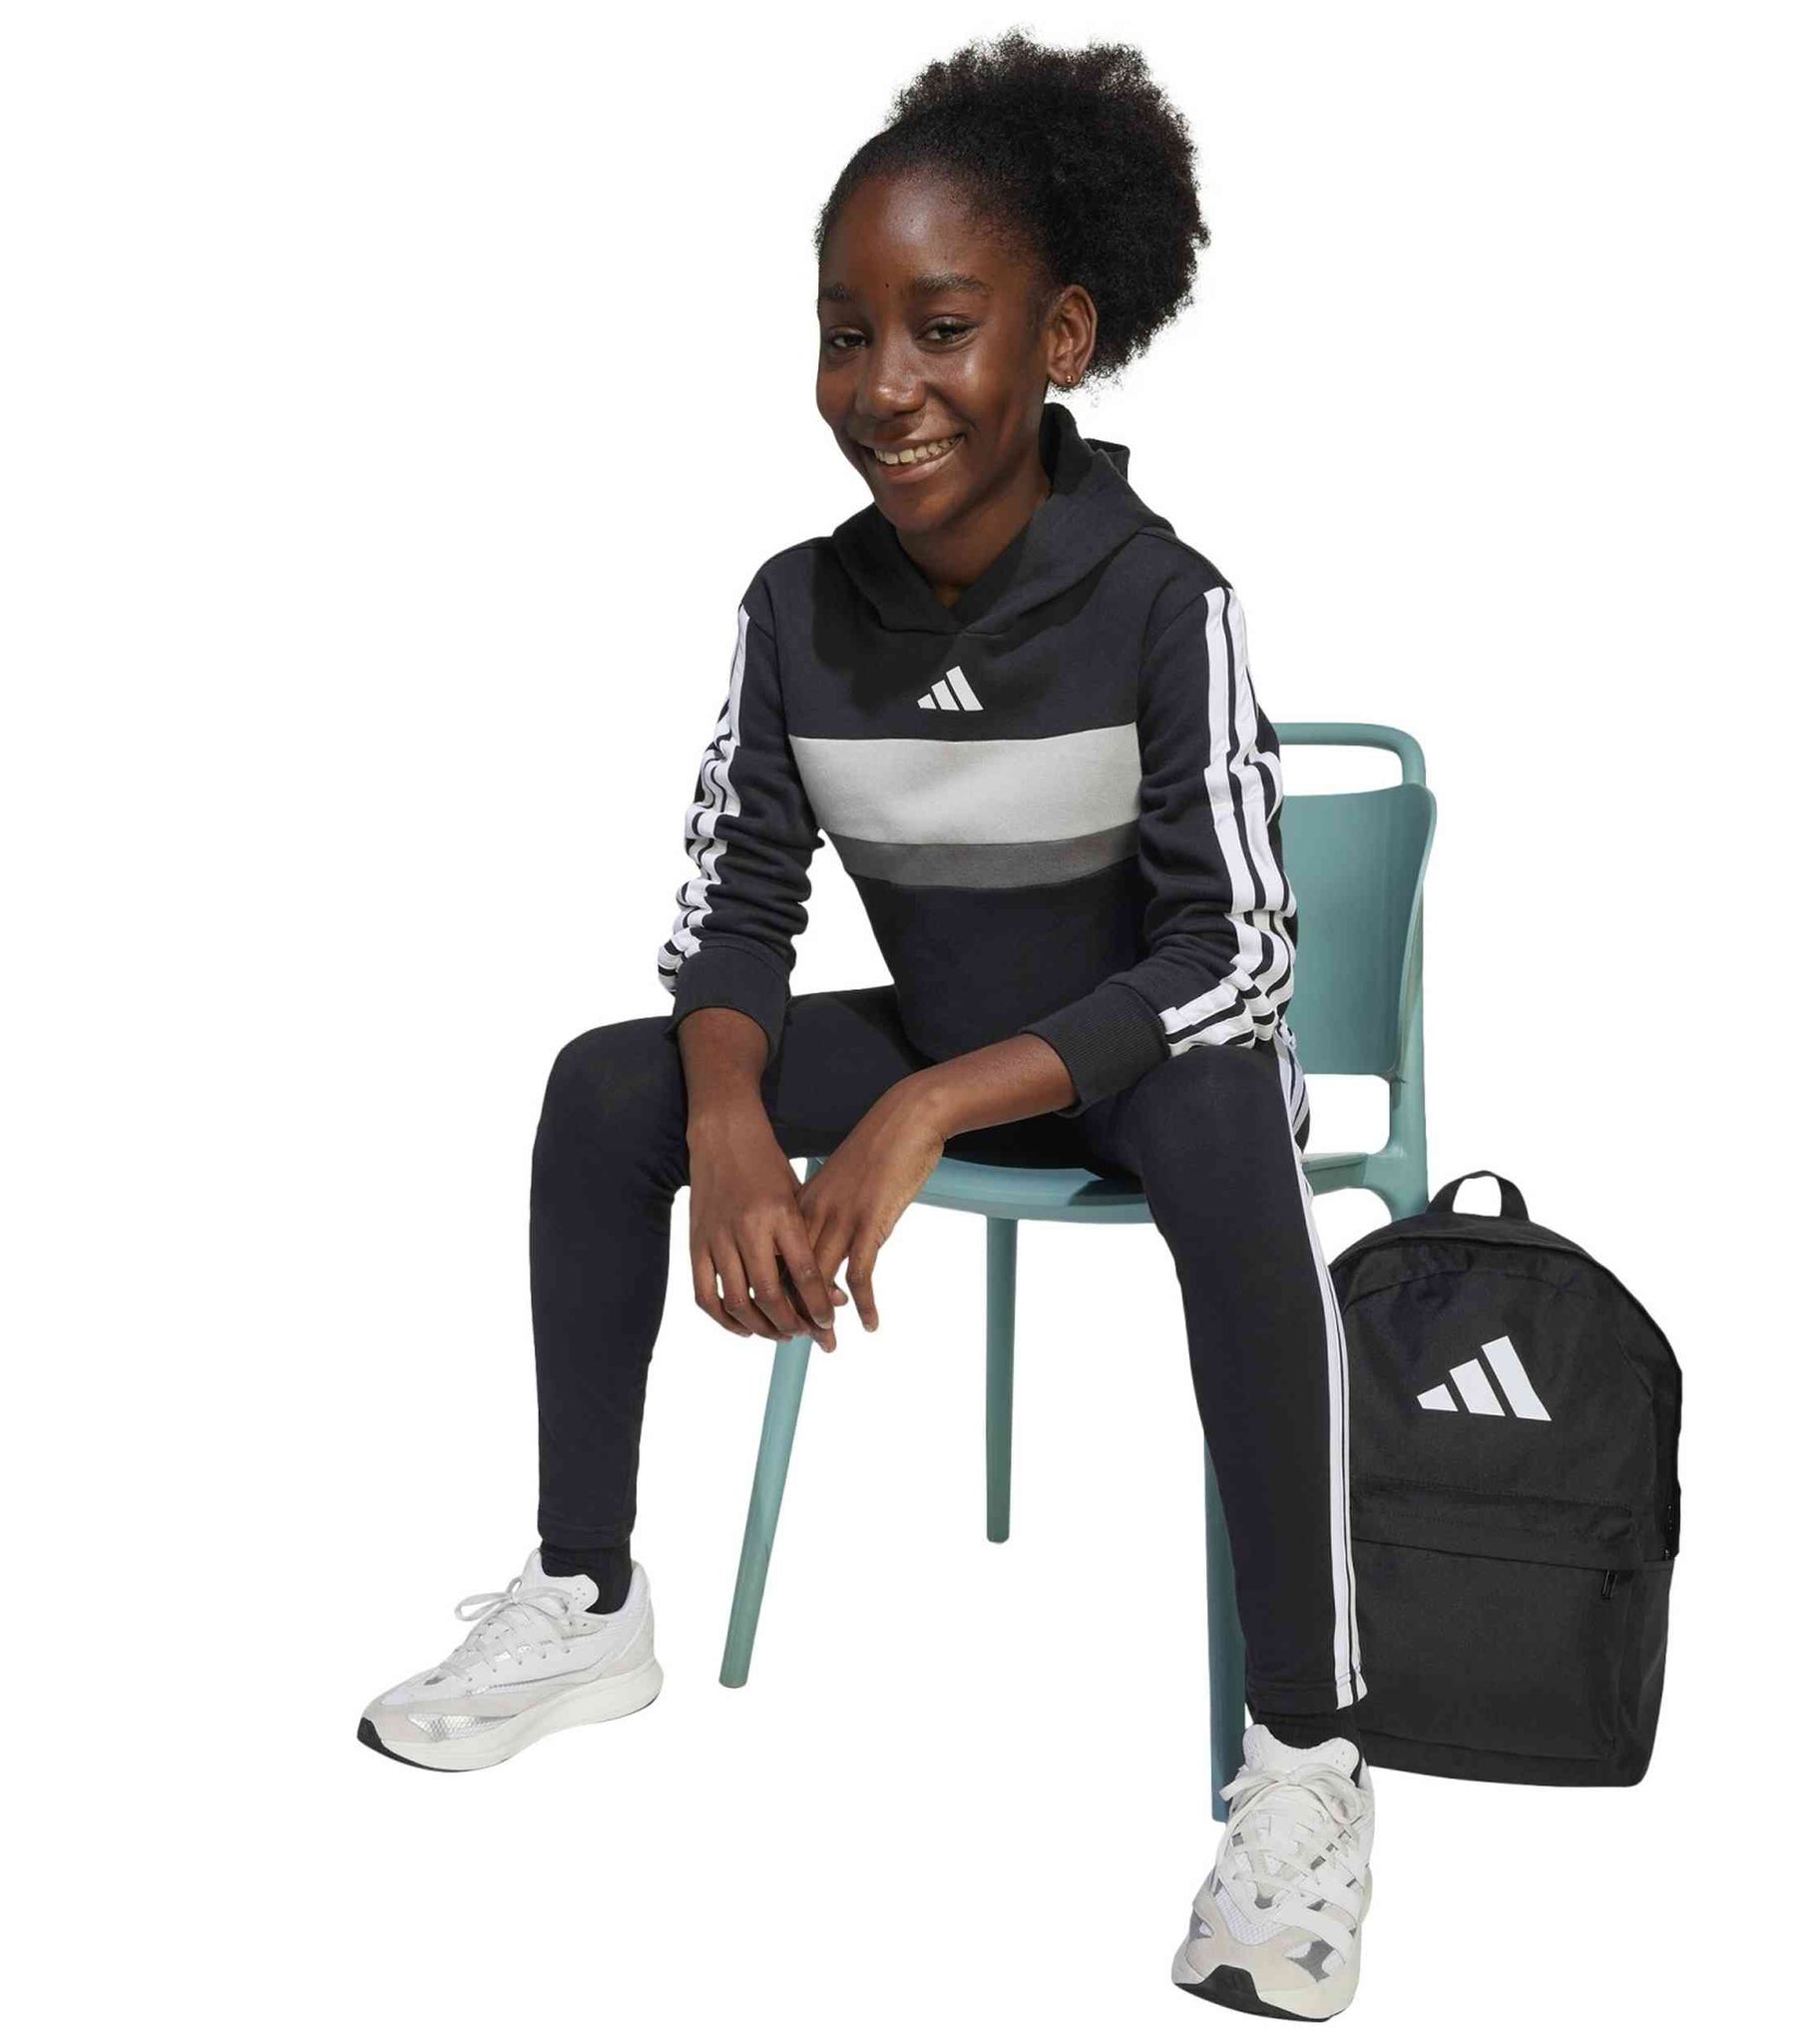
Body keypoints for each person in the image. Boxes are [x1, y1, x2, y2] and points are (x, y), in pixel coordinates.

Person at [357, 31, 1374, 2022]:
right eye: (845, 332)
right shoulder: (794, 611)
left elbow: (1239, 956)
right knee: (610, 1083)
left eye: (940, 327)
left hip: (1129, 1073)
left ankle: (1308, 1763)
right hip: (948, 1035)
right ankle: (585, 1591)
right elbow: (734, 905)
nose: (883, 385)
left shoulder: (1165, 603)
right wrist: (731, 1118)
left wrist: (916, 1113)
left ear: (1062, 339)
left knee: (1230, 1119)